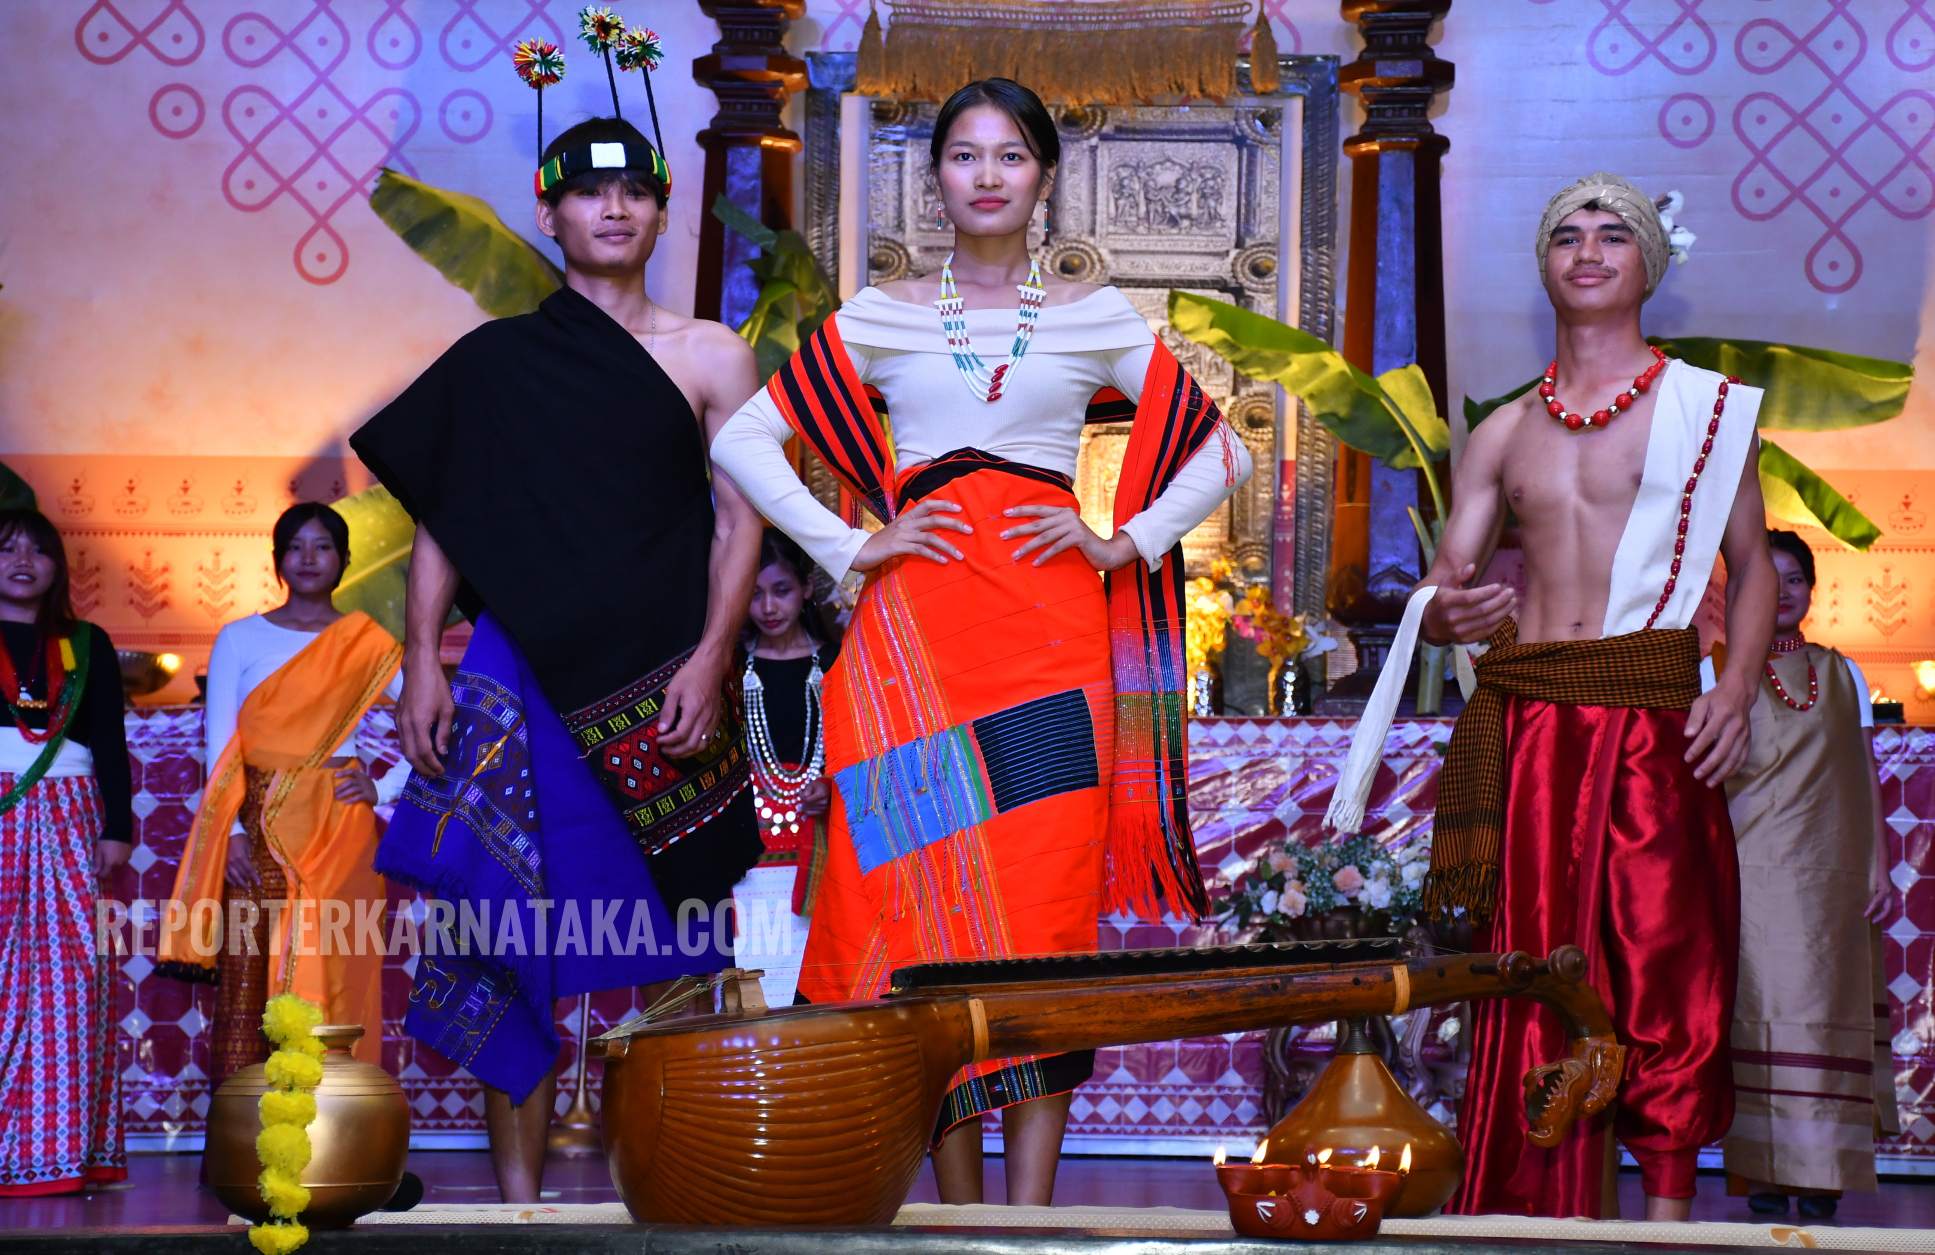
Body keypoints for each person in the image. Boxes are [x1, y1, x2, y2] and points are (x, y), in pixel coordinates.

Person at [710, 77, 1253, 1206]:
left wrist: (1122, 541)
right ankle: (956, 1216)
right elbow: (745, 440)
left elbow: (1222, 449)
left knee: (1040, 927)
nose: (988, 174)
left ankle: (1030, 1220)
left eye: (1011, 154)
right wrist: (851, 544)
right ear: (936, 177)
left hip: (1053, 653)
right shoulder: (882, 314)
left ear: (1044, 177)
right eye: (965, 154)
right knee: (912, 917)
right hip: (912, 655)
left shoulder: (1095, 317)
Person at [1327, 172, 1776, 1220]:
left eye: (1612, 235)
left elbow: (1754, 565)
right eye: (1567, 235)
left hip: (1652, 712)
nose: (1588, 250)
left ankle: (1667, 1218)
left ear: (1646, 265)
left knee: (1666, 956)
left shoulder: (1703, 410)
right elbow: (1444, 583)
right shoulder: (1503, 431)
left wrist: (1736, 686)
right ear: (1545, 264)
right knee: (1530, 967)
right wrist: (1445, 615)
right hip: (1530, 725)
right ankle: (1526, 1208)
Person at [349, 114, 765, 1203]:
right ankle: (520, 1208)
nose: (613, 208)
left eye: (635, 192)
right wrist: (423, 661)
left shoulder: (712, 354)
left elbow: (740, 520)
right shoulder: (496, 363)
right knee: (508, 935)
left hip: (660, 683)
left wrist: (714, 656)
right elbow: (445, 518)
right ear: (550, 212)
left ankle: (683, 1195)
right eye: (588, 192)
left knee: (680, 937)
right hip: (520, 675)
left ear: (661, 211)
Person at [158, 503, 403, 1085]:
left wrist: (384, 787)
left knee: (338, 965)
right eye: (296, 546)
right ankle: (247, 1130)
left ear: (344, 561)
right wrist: (232, 832)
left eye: (323, 546)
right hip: (256, 826)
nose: (309, 558)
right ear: (277, 561)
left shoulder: (366, 643)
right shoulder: (240, 638)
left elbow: (436, 724)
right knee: (249, 972)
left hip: (339, 829)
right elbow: (221, 748)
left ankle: (339, 1125)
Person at [1720, 530, 1899, 1217]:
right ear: (1743, 592)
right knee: (1758, 1016)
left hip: (1831, 883)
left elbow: (1864, 775)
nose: (1784, 591)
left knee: (1825, 1016)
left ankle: (1824, 1175)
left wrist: (1879, 866)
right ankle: (1763, 1175)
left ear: (1810, 590)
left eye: (1795, 578)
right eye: (1769, 579)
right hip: (1750, 879)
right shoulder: (1716, 674)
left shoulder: (1843, 672)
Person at [0, 507, 128, 1195]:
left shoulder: (86, 643)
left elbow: (110, 738)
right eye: (7, 548)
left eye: (38, 550)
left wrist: (118, 828)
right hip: (2, 812)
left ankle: (56, 1150)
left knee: (71, 978)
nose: (23, 561)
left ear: (57, 566)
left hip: (72, 815)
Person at [742, 529, 839, 916]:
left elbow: (858, 749)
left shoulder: (837, 662)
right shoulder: (730, 666)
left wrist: (830, 786)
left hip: (820, 833)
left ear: (807, 588)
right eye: (754, 594)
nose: (768, 607)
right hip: (750, 838)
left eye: (781, 591)